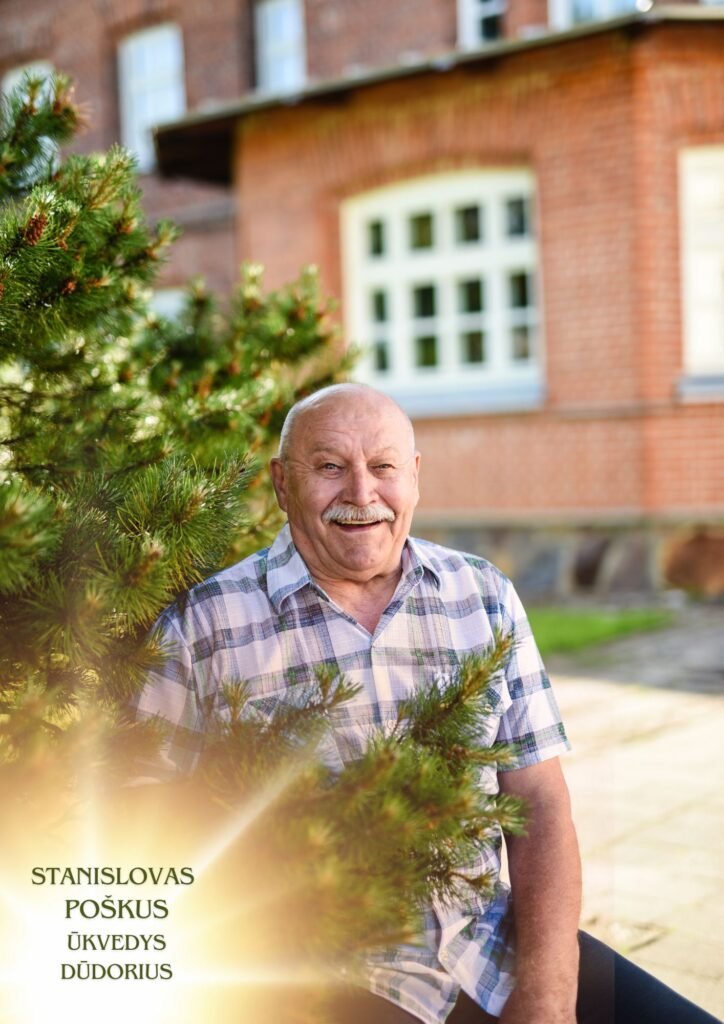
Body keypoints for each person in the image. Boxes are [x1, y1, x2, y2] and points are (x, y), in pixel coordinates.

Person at [135, 383, 721, 1024]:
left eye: (383, 466)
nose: (362, 493)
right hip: (329, 980)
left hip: (491, 946)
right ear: (282, 482)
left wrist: (549, 994)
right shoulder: (204, 626)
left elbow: (538, 801)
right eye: (330, 467)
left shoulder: (483, 595)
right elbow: (143, 823)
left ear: (414, 477)